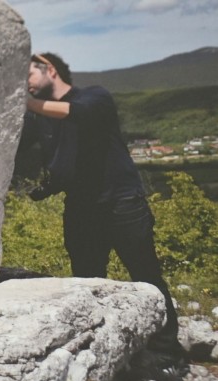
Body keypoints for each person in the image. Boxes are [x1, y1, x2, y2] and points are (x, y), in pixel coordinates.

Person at [18, 52, 183, 359]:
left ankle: (168, 350)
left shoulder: (95, 96)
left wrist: (26, 104)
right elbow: (23, 146)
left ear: (49, 69)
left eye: (27, 74)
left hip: (121, 203)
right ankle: (101, 350)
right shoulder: (40, 118)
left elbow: (79, 113)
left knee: (146, 274)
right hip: (81, 208)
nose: (24, 83)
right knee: (86, 281)